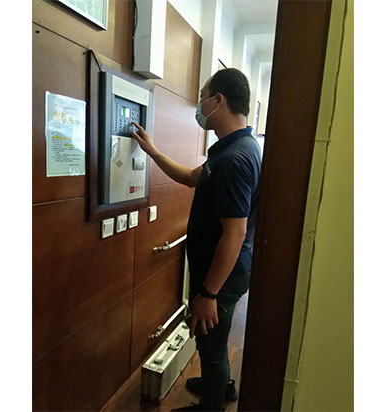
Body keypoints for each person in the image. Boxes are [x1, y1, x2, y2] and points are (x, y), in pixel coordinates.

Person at [132, 68, 262, 412]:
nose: (199, 105)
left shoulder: (235, 159)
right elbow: (192, 177)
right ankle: (221, 385)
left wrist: (209, 293)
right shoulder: (234, 148)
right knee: (215, 337)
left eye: (203, 97)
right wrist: (153, 152)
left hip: (222, 275)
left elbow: (235, 233)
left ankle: (211, 406)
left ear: (219, 100)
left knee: (210, 344)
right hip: (226, 270)